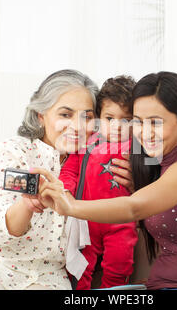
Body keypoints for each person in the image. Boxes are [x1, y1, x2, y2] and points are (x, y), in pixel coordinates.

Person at [31, 71, 177, 290]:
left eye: (155, 122)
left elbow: (134, 208)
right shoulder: (160, 163)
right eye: (138, 122)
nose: (145, 133)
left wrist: (70, 206)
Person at [0, 69, 133, 290]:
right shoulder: (13, 152)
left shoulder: (100, 165)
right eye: (65, 115)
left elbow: (135, 217)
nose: (77, 126)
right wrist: (27, 205)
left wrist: (135, 185)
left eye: (87, 116)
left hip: (47, 275)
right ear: (41, 116)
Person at [59, 75, 138, 289]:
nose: (117, 127)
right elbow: (70, 169)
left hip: (121, 222)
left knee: (120, 264)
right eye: (110, 119)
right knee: (79, 268)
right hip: (86, 220)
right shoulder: (87, 141)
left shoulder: (137, 148)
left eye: (126, 120)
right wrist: (65, 190)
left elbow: (151, 182)